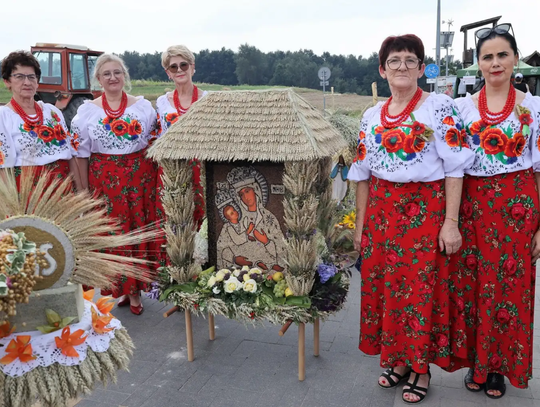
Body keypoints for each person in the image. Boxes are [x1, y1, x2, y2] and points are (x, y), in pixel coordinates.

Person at [349, 34, 475, 404]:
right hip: (383, 212)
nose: (401, 67)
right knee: (390, 289)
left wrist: (450, 222)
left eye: (409, 60)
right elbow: (360, 175)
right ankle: (399, 360)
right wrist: (360, 228)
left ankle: (421, 367)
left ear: (421, 68)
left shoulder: (439, 107)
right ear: (382, 69)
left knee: (421, 290)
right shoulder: (372, 115)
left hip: (425, 211)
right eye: (394, 61)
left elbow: (455, 168)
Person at [449, 23, 540, 399]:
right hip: (473, 206)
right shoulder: (459, 108)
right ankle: (476, 361)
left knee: (510, 290)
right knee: (471, 288)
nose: (496, 62)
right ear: (478, 64)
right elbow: (452, 167)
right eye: (487, 56)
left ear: (515, 59)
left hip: (518, 208)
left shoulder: (534, 108)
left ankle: (500, 366)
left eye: (503, 54)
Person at [71, 54, 160, 315]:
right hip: (104, 181)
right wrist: (84, 192)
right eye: (107, 73)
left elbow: (154, 142)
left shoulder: (143, 108)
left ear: (125, 77)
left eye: (117, 72)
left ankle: (134, 291)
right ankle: (118, 288)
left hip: (138, 179)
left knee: (135, 231)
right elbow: (81, 154)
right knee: (112, 235)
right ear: (98, 79)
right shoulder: (87, 111)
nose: (112, 77)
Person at [0, 51, 80, 189]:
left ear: (37, 82)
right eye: (19, 77)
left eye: (32, 77)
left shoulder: (53, 112)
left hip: (63, 190)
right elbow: (3, 170)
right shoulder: (3, 117)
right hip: (28, 192)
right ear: (7, 82)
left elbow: (71, 156)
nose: (27, 82)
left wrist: (81, 195)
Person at [155, 45, 207, 230]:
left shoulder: (207, 99)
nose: (179, 70)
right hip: (171, 168)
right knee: (174, 218)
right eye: (173, 67)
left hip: (200, 167)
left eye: (183, 65)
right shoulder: (162, 102)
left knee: (202, 216)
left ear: (193, 67)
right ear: (168, 73)